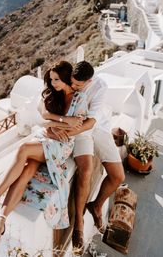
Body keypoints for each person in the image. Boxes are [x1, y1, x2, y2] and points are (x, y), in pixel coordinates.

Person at [0, 61, 92, 250]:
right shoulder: (53, 95)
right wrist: (59, 121)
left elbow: (73, 128)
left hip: (61, 146)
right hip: (45, 139)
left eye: (57, 80)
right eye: (51, 80)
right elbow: (43, 119)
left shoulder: (80, 99)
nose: (53, 83)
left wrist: (53, 125)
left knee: (23, 149)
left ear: (67, 78)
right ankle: (0, 224)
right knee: (26, 172)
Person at [46, 61, 125, 252]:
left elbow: (90, 123)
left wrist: (59, 133)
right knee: (86, 170)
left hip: (96, 128)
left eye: (78, 85)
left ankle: (96, 206)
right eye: (72, 82)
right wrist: (56, 130)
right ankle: (79, 225)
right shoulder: (67, 82)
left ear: (89, 81)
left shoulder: (100, 87)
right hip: (80, 134)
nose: (73, 87)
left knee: (118, 177)